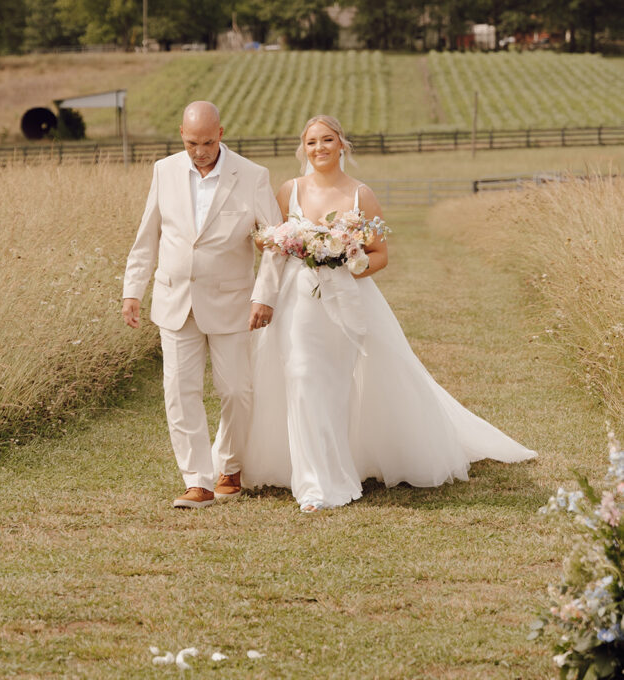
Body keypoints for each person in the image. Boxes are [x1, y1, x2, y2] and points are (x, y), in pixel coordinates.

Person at [239, 115, 537, 512]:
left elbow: (379, 256)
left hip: (344, 305)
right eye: (311, 142)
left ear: (342, 144)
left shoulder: (361, 195)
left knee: (335, 386)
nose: (319, 149)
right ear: (303, 148)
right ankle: (315, 483)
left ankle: (342, 460)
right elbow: (274, 249)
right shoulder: (288, 191)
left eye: (327, 140)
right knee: (302, 378)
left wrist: (344, 260)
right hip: (297, 306)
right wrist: (272, 288)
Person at [122, 101, 282, 509]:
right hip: (174, 298)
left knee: (237, 391)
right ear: (181, 134)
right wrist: (133, 290)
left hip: (232, 302)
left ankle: (229, 465)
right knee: (180, 390)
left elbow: (276, 245)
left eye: (208, 142)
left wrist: (264, 296)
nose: (200, 151)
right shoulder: (164, 170)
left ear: (221, 134)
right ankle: (198, 480)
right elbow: (148, 235)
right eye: (192, 142)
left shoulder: (252, 176)